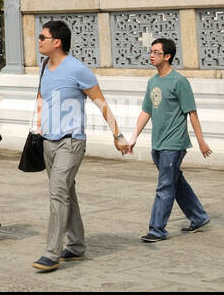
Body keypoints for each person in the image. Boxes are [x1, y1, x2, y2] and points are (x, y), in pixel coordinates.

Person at [31, 20, 129, 272]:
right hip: (48, 141)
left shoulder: (77, 69)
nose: (38, 41)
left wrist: (118, 135)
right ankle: (75, 247)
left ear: (57, 42)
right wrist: (40, 125)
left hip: (71, 141)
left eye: (42, 37)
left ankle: (51, 253)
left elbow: (101, 102)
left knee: (57, 193)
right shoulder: (44, 66)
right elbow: (43, 98)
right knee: (66, 194)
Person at [126, 37, 212, 241]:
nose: (151, 55)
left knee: (165, 186)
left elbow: (192, 113)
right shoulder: (153, 81)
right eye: (151, 51)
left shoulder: (179, 82)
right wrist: (133, 137)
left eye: (156, 52)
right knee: (175, 182)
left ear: (167, 56)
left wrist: (201, 141)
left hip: (174, 144)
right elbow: (146, 111)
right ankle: (199, 217)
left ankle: (157, 229)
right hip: (158, 143)